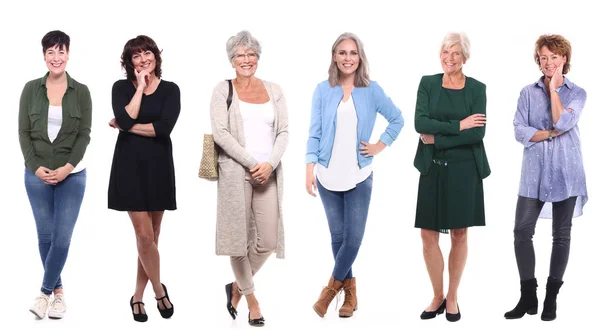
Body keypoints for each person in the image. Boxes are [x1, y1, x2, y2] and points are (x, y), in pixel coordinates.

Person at [306, 32, 404, 318]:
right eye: (342, 53)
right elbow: (314, 132)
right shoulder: (322, 90)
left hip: (359, 175)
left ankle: (329, 291)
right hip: (327, 175)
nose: (347, 58)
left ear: (359, 57)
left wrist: (379, 145)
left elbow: (397, 118)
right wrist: (309, 168)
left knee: (353, 238)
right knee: (338, 238)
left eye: (352, 53)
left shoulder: (371, 90)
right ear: (334, 57)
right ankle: (351, 295)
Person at [504, 34, 587, 322]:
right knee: (521, 232)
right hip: (533, 174)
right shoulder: (527, 93)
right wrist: (551, 133)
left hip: (567, 173)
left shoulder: (577, 93)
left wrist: (553, 91)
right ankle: (528, 295)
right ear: (538, 61)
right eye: (543, 57)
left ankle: (551, 297)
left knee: (561, 236)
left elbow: (565, 121)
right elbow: (519, 131)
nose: (548, 62)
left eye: (554, 56)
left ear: (564, 58)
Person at [210, 30, 288, 327]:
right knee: (237, 242)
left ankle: (236, 288)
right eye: (240, 55)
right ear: (232, 60)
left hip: (268, 173)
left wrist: (269, 164)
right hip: (234, 173)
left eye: (251, 54)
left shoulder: (274, 89)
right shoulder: (222, 89)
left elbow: (284, 132)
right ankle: (252, 300)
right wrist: (253, 162)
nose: (246, 60)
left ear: (258, 57)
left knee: (267, 241)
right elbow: (221, 133)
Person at [413, 32, 489, 322]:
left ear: (465, 58)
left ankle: (453, 296)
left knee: (459, 233)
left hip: (464, 169)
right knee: (428, 234)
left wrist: (439, 137)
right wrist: (459, 124)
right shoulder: (428, 83)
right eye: (446, 52)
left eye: (456, 53)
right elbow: (420, 123)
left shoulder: (477, 89)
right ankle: (437, 295)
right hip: (432, 167)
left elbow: (478, 133)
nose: (450, 58)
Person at [19, 30, 92, 320]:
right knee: (46, 236)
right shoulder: (29, 89)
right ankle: (59, 295)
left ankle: (44, 293)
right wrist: (35, 166)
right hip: (35, 173)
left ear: (69, 54)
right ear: (44, 56)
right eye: (51, 52)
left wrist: (67, 168)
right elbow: (23, 133)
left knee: (62, 238)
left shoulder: (82, 91)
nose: (56, 57)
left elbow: (85, 134)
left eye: (61, 51)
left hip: (72, 174)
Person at [107, 35, 179, 322]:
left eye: (147, 53)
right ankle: (159, 290)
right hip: (129, 167)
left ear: (156, 56)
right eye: (136, 56)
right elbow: (127, 119)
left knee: (153, 237)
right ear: (130, 63)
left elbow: (163, 129)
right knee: (144, 235)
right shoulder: (121, 88)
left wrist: (124, 125)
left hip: (159, 166)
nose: (143, 59)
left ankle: (137, 297)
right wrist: (138, 89)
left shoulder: (171, 90)